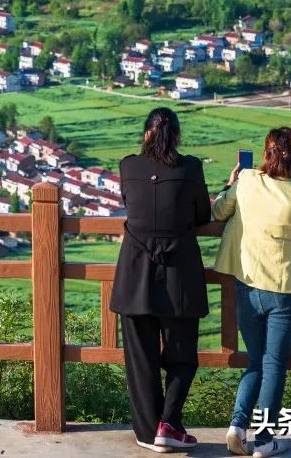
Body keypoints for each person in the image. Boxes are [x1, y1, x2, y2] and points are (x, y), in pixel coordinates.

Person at [213, 127, 291, 458]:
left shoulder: (248, 182)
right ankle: (265, 440)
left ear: (265, 153)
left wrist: (231, 182)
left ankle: (237, 426)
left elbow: (219, 210)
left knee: (256, 360)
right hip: (284, 290)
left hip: (247, 284)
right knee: (274, 364)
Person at [110, 107, 211, 453]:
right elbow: (202, 216)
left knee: (141, 357)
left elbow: (131, 203)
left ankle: (147, 431)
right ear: (178, 137)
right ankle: (169, 424)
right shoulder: (191, 168)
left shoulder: (128, 166)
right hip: (179, 272)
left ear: (146, 135)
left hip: (135, 272)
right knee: (183, 355)